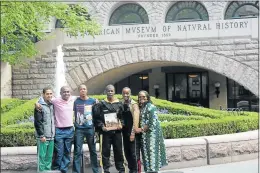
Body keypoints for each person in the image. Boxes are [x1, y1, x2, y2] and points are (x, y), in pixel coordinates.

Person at [36, 86, 75, 173]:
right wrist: (36, 103)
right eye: (64, 92)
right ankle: (56, 170)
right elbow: (43, 99)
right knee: (59, 153)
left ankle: (63, 170)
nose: (66, 93)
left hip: (69, 130)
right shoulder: (55, 100)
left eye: (68, 92)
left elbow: (83, 98)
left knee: (67, 152)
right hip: (59, 131)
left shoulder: (72, 99)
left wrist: (95, 101)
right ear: (60, 93)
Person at [93, 84, 125, 173]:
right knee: (105, 152)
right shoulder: (101, 104)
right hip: (105, 133)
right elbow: (97, 118)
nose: (110, 92)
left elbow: (123, 117)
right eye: (108, 91)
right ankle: (106, 170)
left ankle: (121, 169)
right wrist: (102, 126)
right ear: (105, 92)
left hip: (117, 132)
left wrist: (121, 124)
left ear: (114, 92)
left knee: (118, 151)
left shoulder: (119, 104)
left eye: (112, 91)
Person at [135, 90, 168, 173]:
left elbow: (151, 123)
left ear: (147, 97)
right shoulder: (142, 107)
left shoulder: (151, 107)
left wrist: (140, 129)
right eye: (140, 97)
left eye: (143, 96)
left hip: (152, 136)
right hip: (145, 137)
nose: (141, 98)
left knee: (152, 155)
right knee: (146, 156)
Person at [72, 84, 99, 173]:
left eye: (84, 89)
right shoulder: (76, 102)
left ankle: (95, 170)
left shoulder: (92, 101)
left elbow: (97, 113)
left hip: (90, 129)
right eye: (81, 89)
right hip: (79, 129)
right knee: (77, 152)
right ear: (79, 91)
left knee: (93, 151)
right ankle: (76, 171)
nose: (83, 90)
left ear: (86, 90)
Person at [34, 87, 55, 172]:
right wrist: (41, 135)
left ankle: (47, 171)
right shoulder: (39, 106)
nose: (49, 95)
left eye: (50, 94)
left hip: (51, 136)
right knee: (42, 157)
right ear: (43, 95)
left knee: (49, 157)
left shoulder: (52, 104)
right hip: (43, 137)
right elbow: (38, 122)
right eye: (47, 94)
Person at [121, 87, 141, 173]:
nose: (126, 95)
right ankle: (131, 170)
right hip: (124, 132)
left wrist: (133, 133)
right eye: (124, 93)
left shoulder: (134, 104)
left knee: (134, 154)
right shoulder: (121, 104)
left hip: (132, 132)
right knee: (127, 152)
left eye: (127, 93)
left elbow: (136, 120)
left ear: (130, 93)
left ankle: (135, 170)